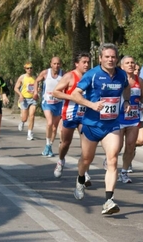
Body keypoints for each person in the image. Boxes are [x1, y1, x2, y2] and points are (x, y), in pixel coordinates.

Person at [71, 43, 131, 215]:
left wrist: (126, 101)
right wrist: (92, 104)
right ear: (100, 58)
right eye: (107, 57)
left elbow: (126, 88)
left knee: (112, 160)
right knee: (86, 159)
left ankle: (108, 200)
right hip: (91, 125)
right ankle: (80, 179)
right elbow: (75, 94)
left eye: (113, 57)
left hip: (111, 125)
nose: (110, 59)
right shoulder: (92, 74)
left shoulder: (121, 75)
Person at [52, 52, 92, 187]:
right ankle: (61, 160)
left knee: (86, 145)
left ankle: (84, 173)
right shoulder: (69, 76)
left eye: (88, 62)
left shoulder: (91, 76)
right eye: (84, 62)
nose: (87, 64)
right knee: (65, 143)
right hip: (70, 114)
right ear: (77, 63)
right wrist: (73, 97)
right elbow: (56, 92)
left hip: (85, 115)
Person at [118, 56, 143, 183]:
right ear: (122, 66)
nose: (130, 65)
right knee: (117, 146)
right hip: (119, 118)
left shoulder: (139, 81)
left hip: (134, 118)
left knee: (131, 145)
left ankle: (124, 172)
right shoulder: (117, 80)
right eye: (127, 63)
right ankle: (110, 158)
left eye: (132, 62)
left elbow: (141, 98)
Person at [33, 57, 64, 157]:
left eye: (58, 64)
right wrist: (35, 92)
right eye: (54, 63)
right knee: (49, 123)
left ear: (61, 64)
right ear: (51, 64)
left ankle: (49, 146)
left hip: (58, 103)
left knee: (55, 128)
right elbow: (36, 81)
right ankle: (47, 144)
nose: (56, 66)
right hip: (47, 102)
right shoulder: (45, 73)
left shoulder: (63, 74)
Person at [14, 62, 37, 141]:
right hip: (24, 99)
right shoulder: (22, 77)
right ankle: (22, 122)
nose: (29, 69)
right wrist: (20, 95)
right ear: (25, 69)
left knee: (32, 115)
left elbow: (36, 88)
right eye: (28, 68)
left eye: (31, 68)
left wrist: (37, 92)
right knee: (24, 118)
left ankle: (30, 133)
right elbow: (16, 88)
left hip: (32, 99)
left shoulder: (34, 78)